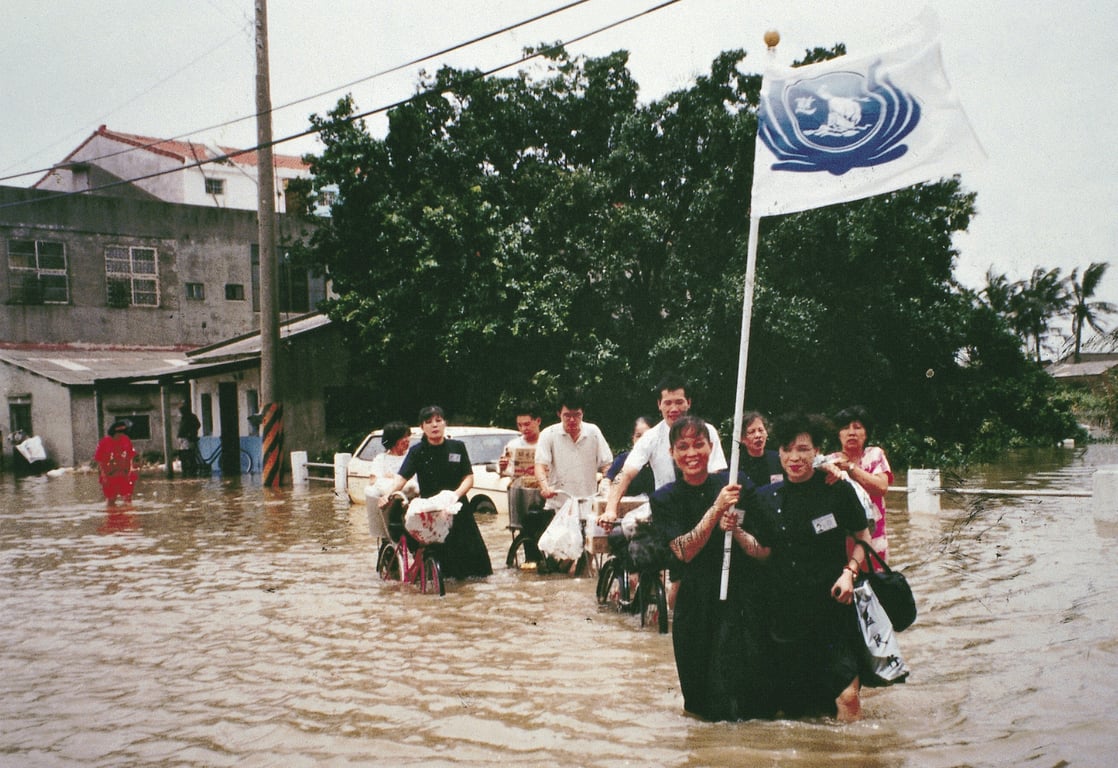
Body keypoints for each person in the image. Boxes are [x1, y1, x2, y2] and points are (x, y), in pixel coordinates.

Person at [750, 412, 874, 721]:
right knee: (796, 712)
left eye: (803, 449)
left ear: (817, 450)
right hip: (784, 617)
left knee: (847, 699)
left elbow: (864, 538)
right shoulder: (766, 498)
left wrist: (850, 573)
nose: (794, 457)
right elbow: (761, 550)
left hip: (832, 610)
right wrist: (734, 529)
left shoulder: (837, 489)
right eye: (787, 449)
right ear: (778, 452)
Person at [651, 415, 772, 721]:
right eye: (683, 447)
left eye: (698, 444)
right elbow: (683, 551)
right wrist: (716, 509)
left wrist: (738, 531)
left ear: (711, 447)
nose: (691, 453)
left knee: (746, 702)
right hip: (696, 604)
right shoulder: (665, 499)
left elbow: (768, 545)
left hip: (741, 600)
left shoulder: (736, 482)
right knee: (698, 703)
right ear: (672, 453)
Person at [380, 406, 493, 579]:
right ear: (422, 427)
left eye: (438, 420)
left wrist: (455, 495)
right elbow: (401, 478)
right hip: (432, 511)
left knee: (476, 569)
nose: (434, 425)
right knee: (436, 559)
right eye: (429, 422)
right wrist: (387, 494)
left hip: (458, 508)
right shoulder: (417, 452)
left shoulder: (457, 447)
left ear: (444, 423)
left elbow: (469, 478)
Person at [600, 373, 727, 524]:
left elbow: (716, 473)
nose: (673, 409)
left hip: (705, 510)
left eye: (679, 402)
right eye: (668, 403)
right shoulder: (650, 437)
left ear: (689, 403)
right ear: (659, 404)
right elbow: (625, 474)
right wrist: (610, 510)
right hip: (667, 512)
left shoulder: (707, 432)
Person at [827, 405, 893, 564]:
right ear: (838, 434)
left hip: (874, 539)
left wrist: (850, 468)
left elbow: (882, 487)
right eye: (844, 428)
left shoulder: (875, 455)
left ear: (866, 433)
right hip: (841, 543)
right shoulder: (829, 462)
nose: (851, 432)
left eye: (857, 427)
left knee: (877, 584)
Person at [498, 402, 548, 561]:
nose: (523, 429)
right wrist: (502, 467)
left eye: (527, 424)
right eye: (520, 425)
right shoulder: (513, 445)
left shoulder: (548, 442)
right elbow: (507, 474)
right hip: (523, 497)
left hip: (546, 493)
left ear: (538, 421)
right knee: (527, 532)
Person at [363, 421, 418, 536]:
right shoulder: (381, 459)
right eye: (403, 437)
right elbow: (373, 481)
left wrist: (394, 477)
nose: (407, 440)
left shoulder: (412, 456)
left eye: (408, 436)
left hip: (411, 500)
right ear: (394, 439)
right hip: (390, 503)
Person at [604, 416, 656, 497]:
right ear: (633, 438)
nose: (642, 440)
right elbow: (607, 481)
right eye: (638, 436)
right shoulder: (623, 459)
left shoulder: (662, 460)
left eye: (647, 435)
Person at [95, 419, 138, 503]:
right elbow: (100, 461)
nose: (122, 435)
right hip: (110, 475)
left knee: (128, 498)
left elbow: (130, 457)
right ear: (115, 433)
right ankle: (112, 514)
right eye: (120, 433)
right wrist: (104, 476)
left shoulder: (126, 440)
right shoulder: (104, 443)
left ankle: (127, 515)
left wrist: (131, 471)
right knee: (111, 499)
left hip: (124, 474)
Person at [739, 410, 783, 488]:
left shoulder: (778, 459)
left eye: (761, 430)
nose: (758, 435)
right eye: (751, 432)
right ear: (742, 438)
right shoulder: (736, 465)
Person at [176, 403, 202, 477]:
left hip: (188, 439)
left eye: (182, 410)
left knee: (189, 455)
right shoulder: (184, 417)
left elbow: (197, 425)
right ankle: (185, 471)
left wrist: (190, 433)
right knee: (183, 455)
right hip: (182, 438)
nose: (181, 411)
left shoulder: (191, 417)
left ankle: (192, 471)